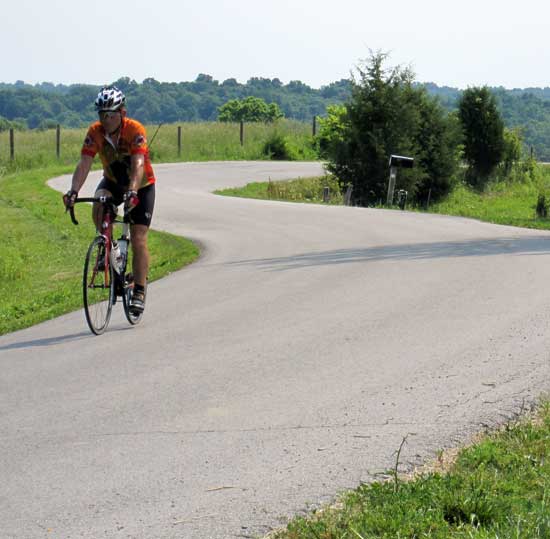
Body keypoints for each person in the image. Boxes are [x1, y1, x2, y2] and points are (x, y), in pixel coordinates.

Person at [63, 86, 156, 314]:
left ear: (122, 112)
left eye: (111, 114)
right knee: (99, 201)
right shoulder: (95, 132)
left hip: (141, 186)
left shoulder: (135, 130)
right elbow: (84, 163)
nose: (106, 119)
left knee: (138, 237)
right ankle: (107, 246)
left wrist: (133, 191)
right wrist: (73, 190)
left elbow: (138, 165)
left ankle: (139, 291)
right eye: (102, 115)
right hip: (113, 182)